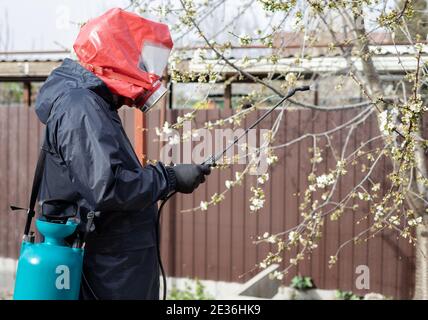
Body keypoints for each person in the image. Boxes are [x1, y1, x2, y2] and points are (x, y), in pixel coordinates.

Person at [34, 8, 211, 299]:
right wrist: (169, 178)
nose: (149, 72)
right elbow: (108, 187)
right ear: (119, 56)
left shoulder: (91, 104)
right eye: (142, 61)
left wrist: (166, 177)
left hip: (112, 267)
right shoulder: (81, 106)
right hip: (105, 272)